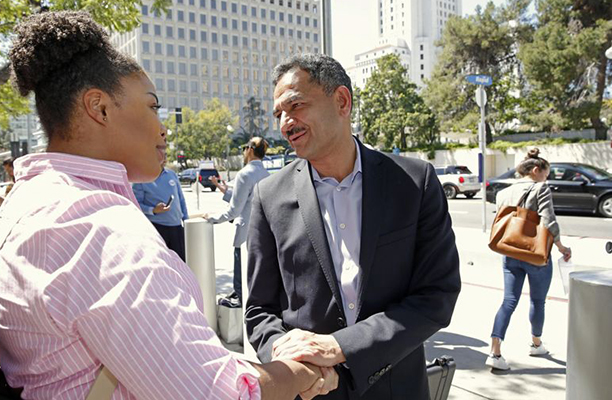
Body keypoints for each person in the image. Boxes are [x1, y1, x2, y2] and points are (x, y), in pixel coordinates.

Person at [0, 11, 336, 399]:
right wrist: (303, 372)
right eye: (153, 107)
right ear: (99, 108)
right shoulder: (98, 229)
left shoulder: (28, 198)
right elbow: (218, 394)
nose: (163, 126)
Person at [245, 54, 461, 399]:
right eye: (278, 114)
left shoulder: (413, 183)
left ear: (342, 101)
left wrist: (340, 347)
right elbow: (259, 310)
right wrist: (291, 361)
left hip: (396, 387)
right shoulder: (268, 196)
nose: (285, 123)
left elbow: (437, 295)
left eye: (295, 106)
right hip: (310, 390)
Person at [485, 148, 572, 371]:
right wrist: (561, 246)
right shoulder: (541, 188)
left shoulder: (504, 192)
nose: (546, 178)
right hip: (535, 254)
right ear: (536, 170)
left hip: (510, 252)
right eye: (546, 173)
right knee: (537, 301)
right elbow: (549, 220)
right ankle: (536, 343)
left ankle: (495, 352)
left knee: (508, 301)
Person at [205, 137, 270, 307]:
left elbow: (235, 209)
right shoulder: (267, 174)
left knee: (241, 274)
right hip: (262, 232)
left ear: (249, 149)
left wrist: (212, 219)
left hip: (244, 232)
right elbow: (247, 200)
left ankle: (240, 302)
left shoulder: (245, 173)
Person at [132, 156, 189, 261]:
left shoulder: (171, 174)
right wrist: (153, 210)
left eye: (165, 155)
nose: (164, 159)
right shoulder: (141, 178)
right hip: (157, 229)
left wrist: (186, 219)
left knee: (180, 263)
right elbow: (135, 204)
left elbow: (181, 199)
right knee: (161, 262)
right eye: (159, 156)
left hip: (177, 228)